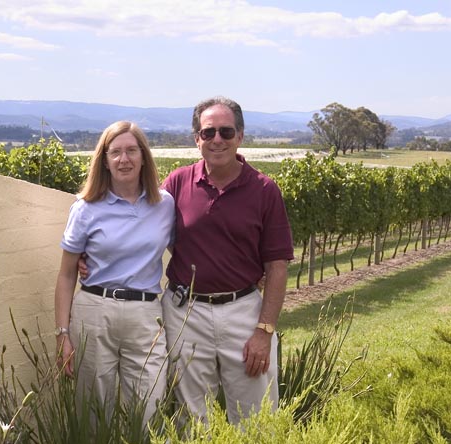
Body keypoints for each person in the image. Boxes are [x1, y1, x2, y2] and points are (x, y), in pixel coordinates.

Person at [162, 96, 294, 426]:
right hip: (185, 314)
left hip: (244, 315)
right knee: (191, 420)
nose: (217, 139)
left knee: (256, 418)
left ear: (240, 137)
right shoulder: (177, 183)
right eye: (208, 133)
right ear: (197, 139)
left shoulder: (264, 190)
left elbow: (277, 266)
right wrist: (91, 256)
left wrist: (264, 331)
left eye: (225, 131)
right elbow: (141, 230)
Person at [54, 120, 175, 424]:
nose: (124, 159)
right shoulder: (85, 208)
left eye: (132, 151)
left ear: (144, 156)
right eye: (116, 152)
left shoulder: (165, 205)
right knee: (94, 413)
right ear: (105, 160)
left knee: (150, 409)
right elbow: (67, 275)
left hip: (147, 314)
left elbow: (187, 252)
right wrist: (63, 334)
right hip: (95, 310)